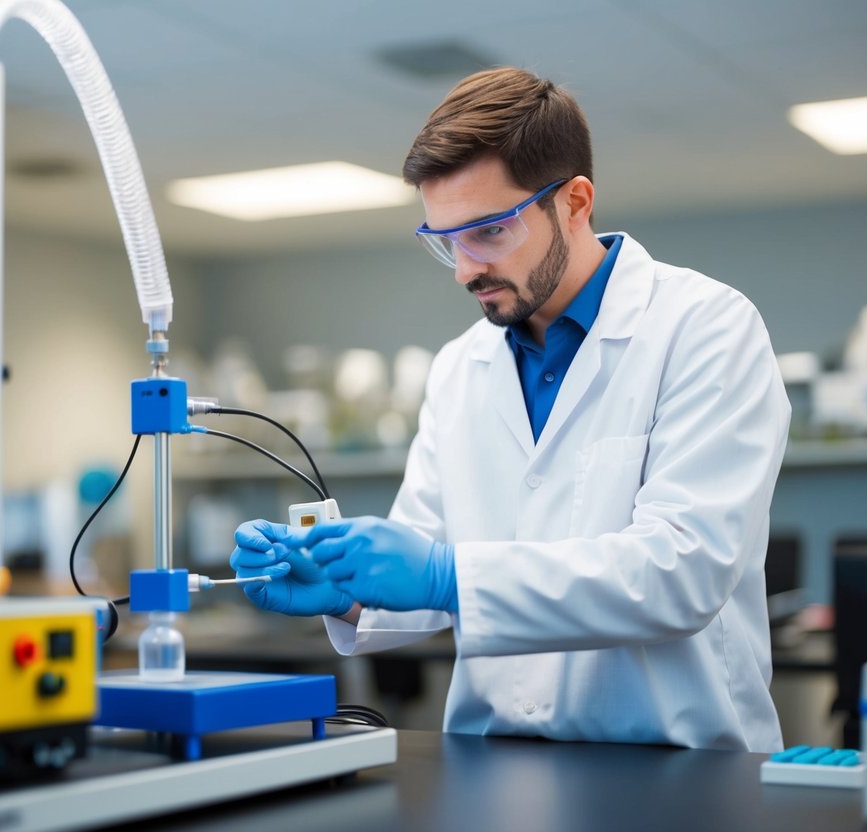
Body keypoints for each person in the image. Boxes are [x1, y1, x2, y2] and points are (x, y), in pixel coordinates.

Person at [230, 67, 790, 752]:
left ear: (575, 202)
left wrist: (445, 572)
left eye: (488, 232)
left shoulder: (704, 328)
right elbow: (422, 563)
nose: (465, 269)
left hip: (677, 765)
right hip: (492, 764)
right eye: (443, 241)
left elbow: (681, 574)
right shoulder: (461, 367)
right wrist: (343, 587)